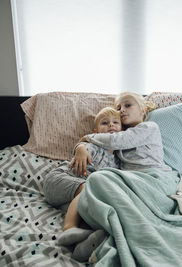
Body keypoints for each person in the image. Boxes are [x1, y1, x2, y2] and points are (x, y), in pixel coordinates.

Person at [68, 92, 172, 261]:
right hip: (131, 184)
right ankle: (102, 242)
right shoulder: (118, 139)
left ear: (143, 109)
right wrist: (81, 147)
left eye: (128, 105)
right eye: (118, 108)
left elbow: (118, 140)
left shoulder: (149, 127)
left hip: (154, 179)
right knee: (103, 193)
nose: (122, 110)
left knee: (100, 181)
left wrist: (88, 137)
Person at [43, 107, 122, 255]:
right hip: (60, 179)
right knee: (88, 188)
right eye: (105, 123)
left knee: (90, 210)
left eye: (115, 122)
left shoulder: (119, 161)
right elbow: (83, 147)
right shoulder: (95, 147)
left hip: (69, 197)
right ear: (96, 132)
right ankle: (68, 228)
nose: (111, 125)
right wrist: (80, 148)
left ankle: (82, 248)